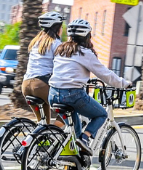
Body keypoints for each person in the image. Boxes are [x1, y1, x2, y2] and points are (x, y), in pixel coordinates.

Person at [48, 19, 131, 153]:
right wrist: (123, 84)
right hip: (73, 95)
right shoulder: (85, 53)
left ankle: (75, 166)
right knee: (101, 115)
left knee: (75, 132)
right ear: (87, 36)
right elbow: (105, 74)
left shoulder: (61, 49)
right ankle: (86, 138)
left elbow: (68, 70)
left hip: (53, 94)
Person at [22, 11, 65, 126]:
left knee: (43, 124)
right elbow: (61, 67)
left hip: (26, 86)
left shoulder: (35, 42)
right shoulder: (56, 43)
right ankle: (56, 133)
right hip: (41, 85)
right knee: (71, 107)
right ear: (57, 28)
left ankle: (42, 140)